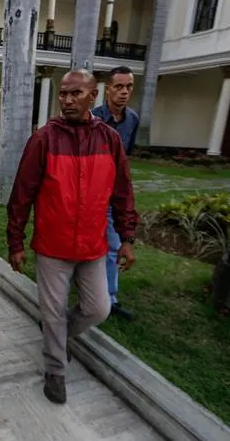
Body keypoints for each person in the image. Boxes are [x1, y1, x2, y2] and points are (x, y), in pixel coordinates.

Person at [6, 69, 137, 404]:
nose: (66, 100)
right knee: (51, 314)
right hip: (52, 246)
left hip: (94, 245)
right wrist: (16, 242)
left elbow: (122, 192)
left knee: (98, 309)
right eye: (63, 94)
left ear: (94, 96)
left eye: (75, 93)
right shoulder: (44, 139)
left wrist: (127, 237)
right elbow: (22, 194)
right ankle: (55, 371)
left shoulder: (109, 139)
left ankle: (57, 332)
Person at [91, 65, 140, 320]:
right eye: (118, 86)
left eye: (129, 86)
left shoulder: (132, 119)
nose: (124, 92)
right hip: (89, 194)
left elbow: (125, 158)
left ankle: (110, 298)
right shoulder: (92, 118)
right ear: (107, 89)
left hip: (113, 195)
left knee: (112, 244)